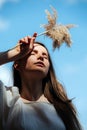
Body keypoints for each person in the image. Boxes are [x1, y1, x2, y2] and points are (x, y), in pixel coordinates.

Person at [0, 33, 82, 130]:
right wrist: (15, 52)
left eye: (45, 56)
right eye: (33, 53)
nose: (41, 57)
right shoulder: (7, 100)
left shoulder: (63, 108)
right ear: (17, 64)